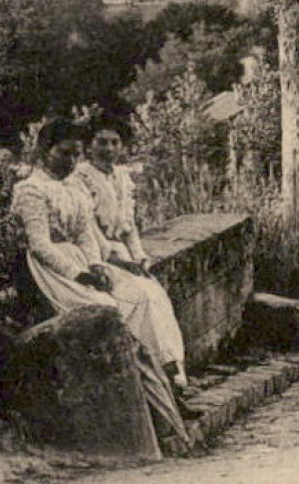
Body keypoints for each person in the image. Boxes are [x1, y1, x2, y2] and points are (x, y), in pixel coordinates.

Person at [11, 118, 196, 442]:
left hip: (82, 260)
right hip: (51, 269)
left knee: (140, 297)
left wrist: (95, 265)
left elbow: (85, 234)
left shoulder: (74, 188)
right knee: (109, 311)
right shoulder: (30, 189)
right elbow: (39, 245)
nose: (70, 161)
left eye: (75, 155)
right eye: (63, 153)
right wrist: (78, 274)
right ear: (43, 151)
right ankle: (154, 405)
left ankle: (170, 386)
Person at [72, 116, 191, 397]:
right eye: (101, 142)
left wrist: (139, 257)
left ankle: (174, 377)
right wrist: (116, 260)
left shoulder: (121, 177)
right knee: (140, 299)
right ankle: (151, 381)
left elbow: (129, 225)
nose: (109, 148)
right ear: (89, 146)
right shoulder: (81, 178)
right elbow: (88, 227)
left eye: (115, 143)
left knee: (159, 297)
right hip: (96, 256)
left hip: (123, 254)